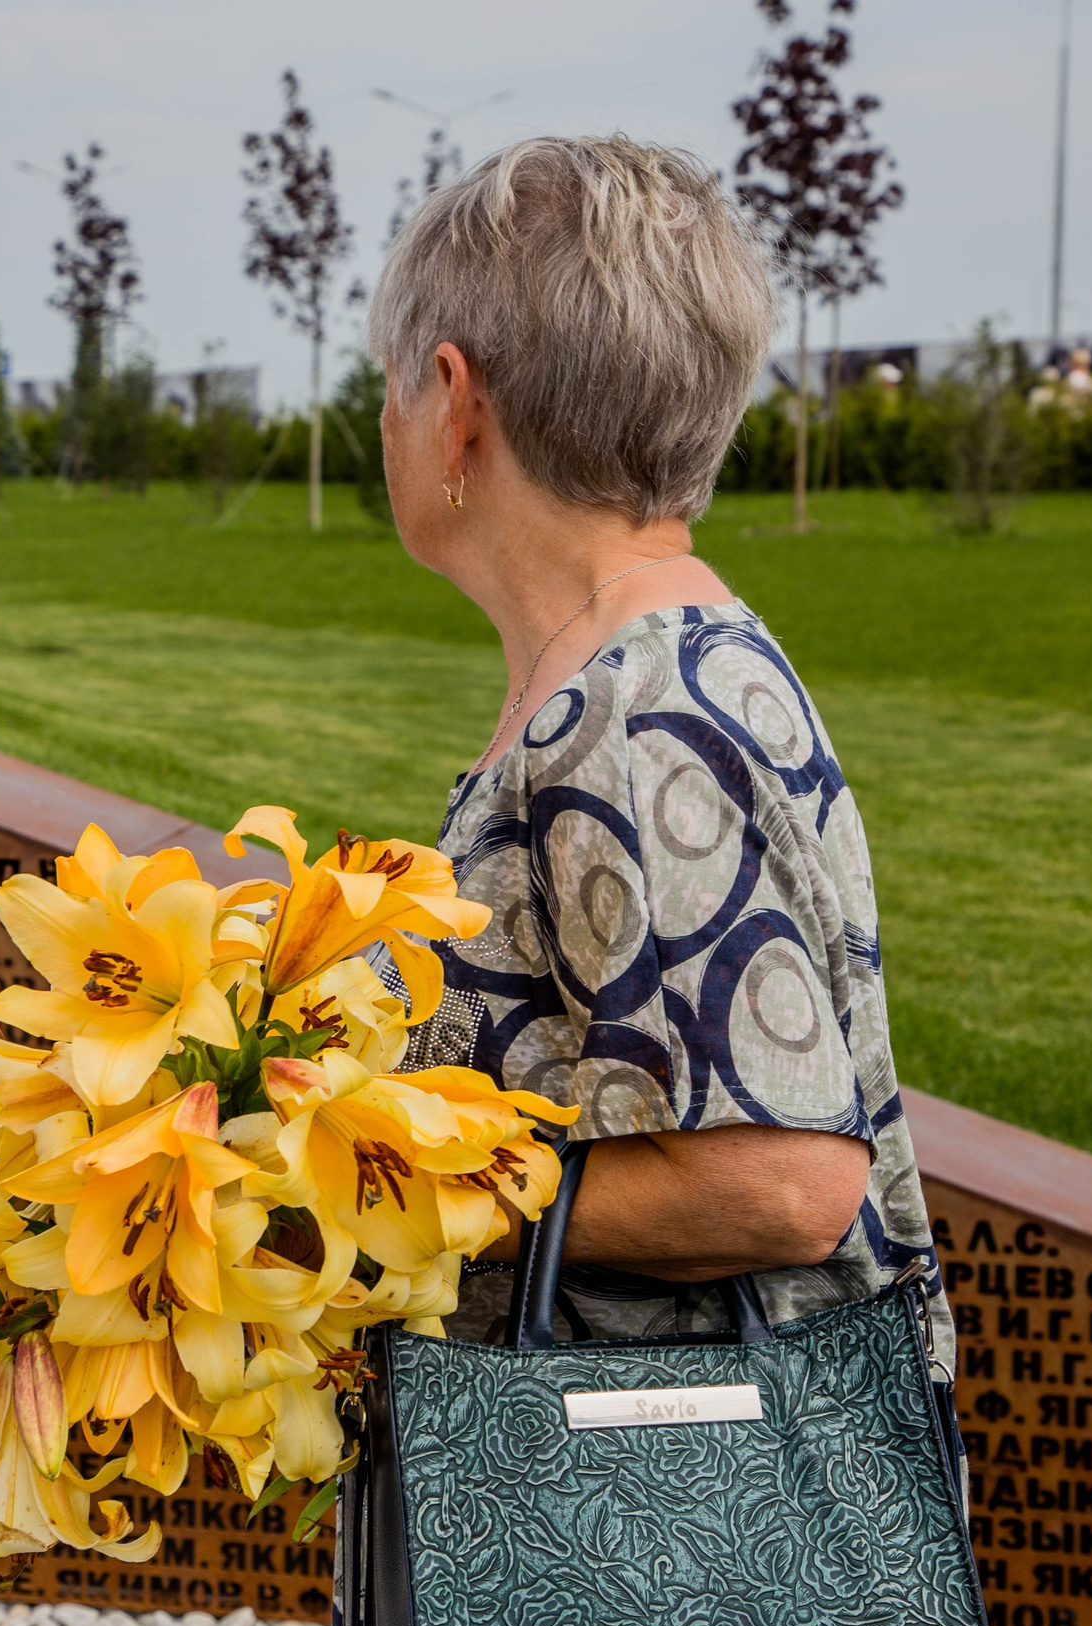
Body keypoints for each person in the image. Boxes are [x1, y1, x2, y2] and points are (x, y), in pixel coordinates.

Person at [364, 135, 949, 1373]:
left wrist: (378, 1199)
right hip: (610, 1519)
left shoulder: (641, 711)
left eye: (394, 383)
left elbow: (781, 1181)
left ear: (459, 402)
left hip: (642, 1532)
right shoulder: (630, 669)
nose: (386, 418)